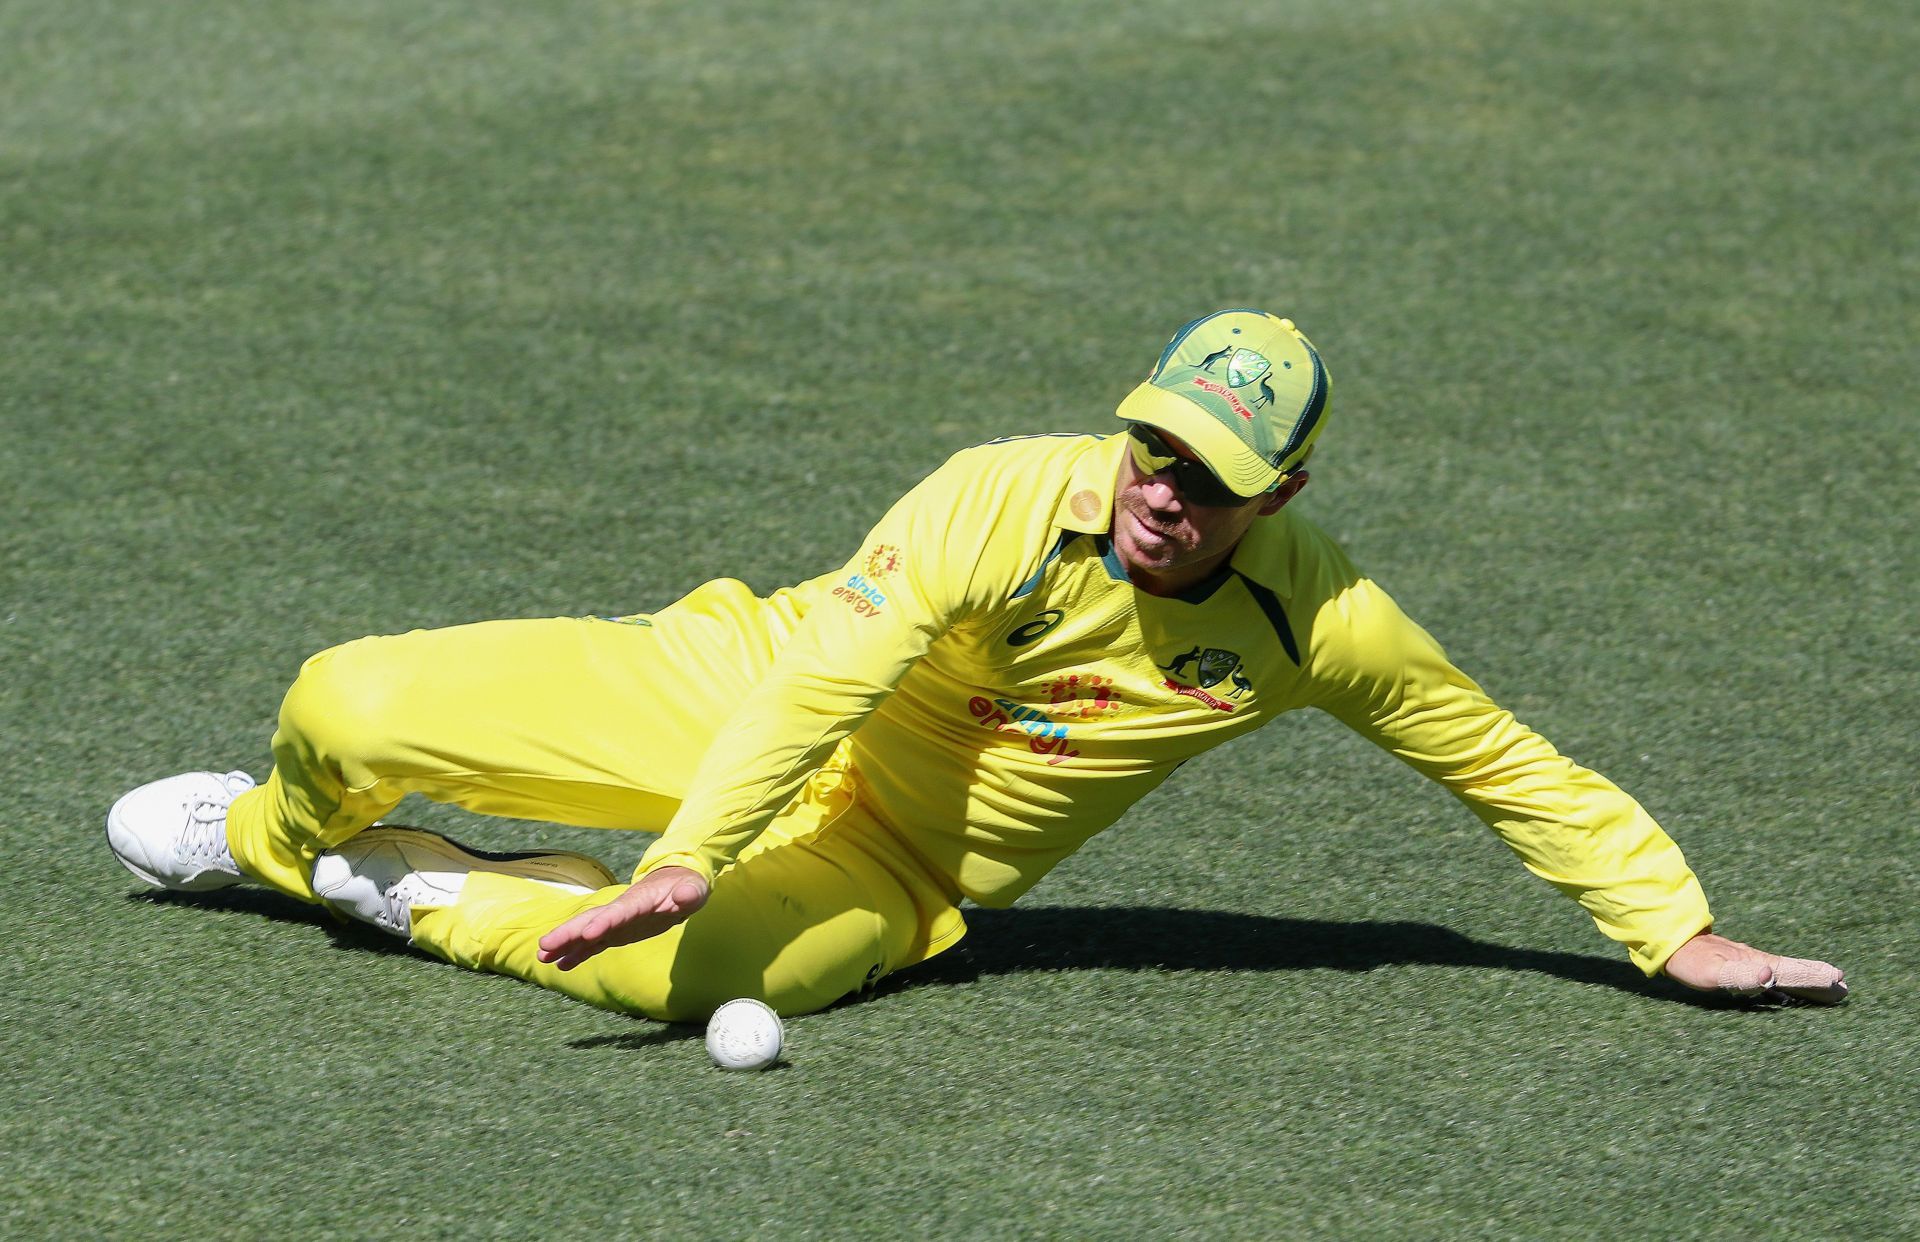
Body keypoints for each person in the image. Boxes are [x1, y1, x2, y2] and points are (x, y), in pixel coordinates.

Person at [106, 309, 1847, 1020]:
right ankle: (271, 834)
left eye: (1216, 480)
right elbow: (817, 695)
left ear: (1284, 492)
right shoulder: (1001, 498)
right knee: (351, 697)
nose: (1168, 496)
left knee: (700, 985)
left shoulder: (1323, 624)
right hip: (743, 684)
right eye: (1158, 450)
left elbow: (1502, 758)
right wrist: (706, 831)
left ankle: (405, 888)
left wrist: (1666, 922)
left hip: (902, 856)